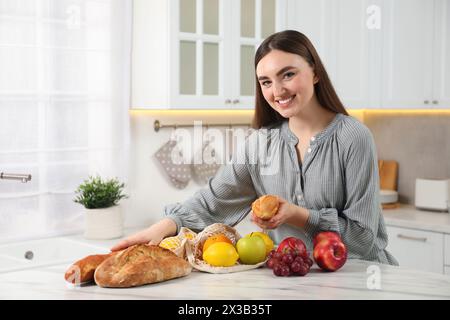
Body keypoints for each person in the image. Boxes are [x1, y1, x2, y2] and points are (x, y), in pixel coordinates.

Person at [112, 30, 398, 265]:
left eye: (288, 74)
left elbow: (362, 238)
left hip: (360, 280)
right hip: (296, 281)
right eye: (266, 82)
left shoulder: (353, 137)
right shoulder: (260, 144)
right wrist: (161, 227)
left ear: (315, 73)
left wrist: (298, 215)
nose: (277, 91)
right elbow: (211, 202)